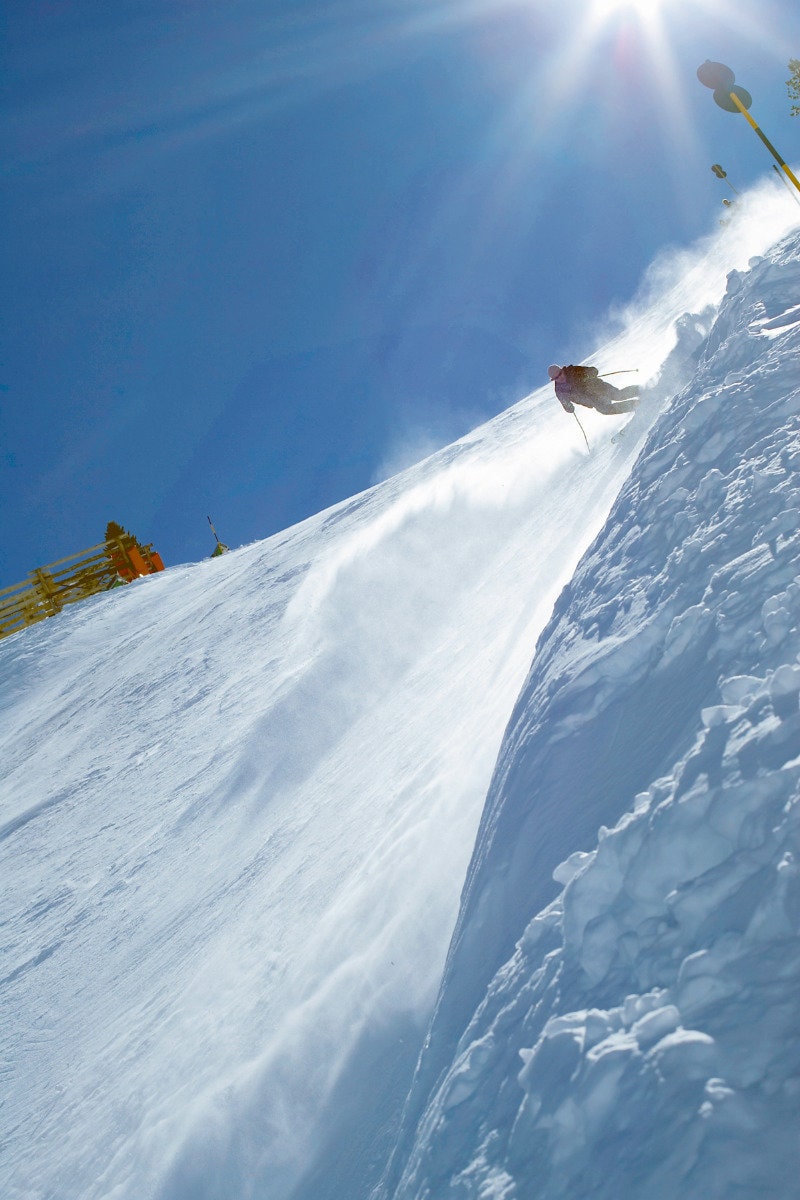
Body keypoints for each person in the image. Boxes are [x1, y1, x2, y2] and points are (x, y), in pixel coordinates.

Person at [548, 364, 639, 416]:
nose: (559, 377)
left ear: (562, 370)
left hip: (599, 387)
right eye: (556, 377)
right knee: (605, 409)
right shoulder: (560, 392)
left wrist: (587, 376)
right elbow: (568, 408)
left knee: (618, 395)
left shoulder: (573, 370)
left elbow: (593, 370)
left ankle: (640, 390)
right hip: (593, 400)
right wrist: (568, 406)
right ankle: (635, 405)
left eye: (560, 374)